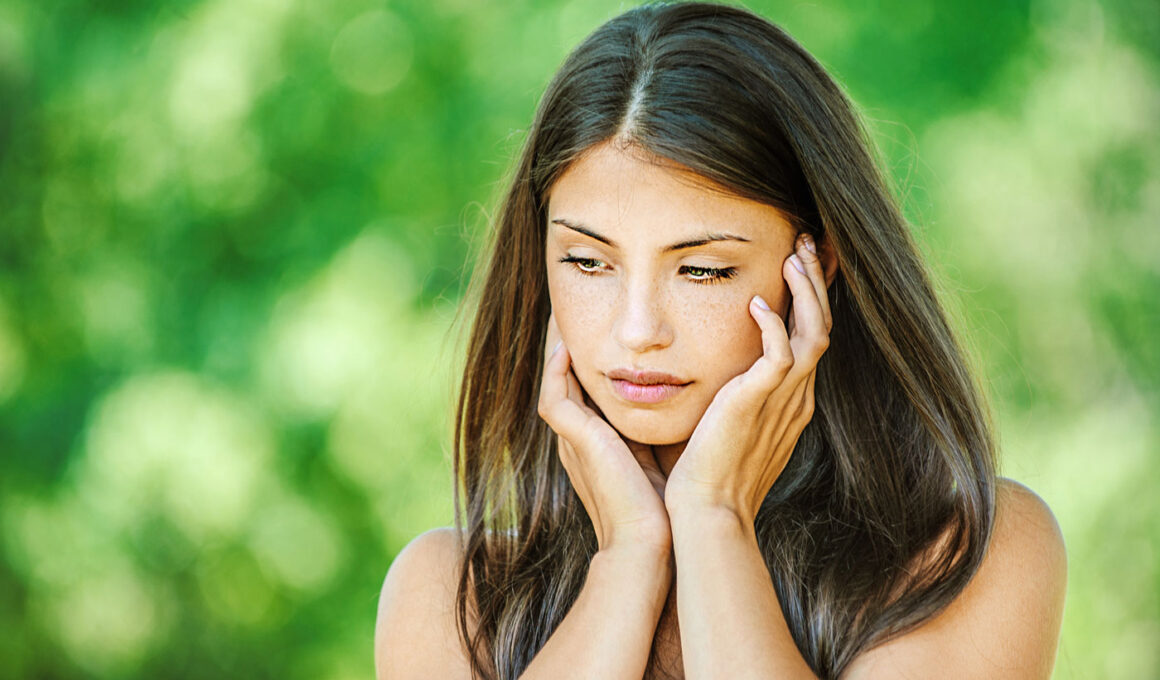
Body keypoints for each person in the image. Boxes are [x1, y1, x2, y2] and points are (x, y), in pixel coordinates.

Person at [374, 3, 1067, 678]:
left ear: (817, 264)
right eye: (588, 262)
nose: (637, 329)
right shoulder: (449, 597)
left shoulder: (972, 553)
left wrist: (713, 520)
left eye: (703, 269)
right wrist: (627, 558)